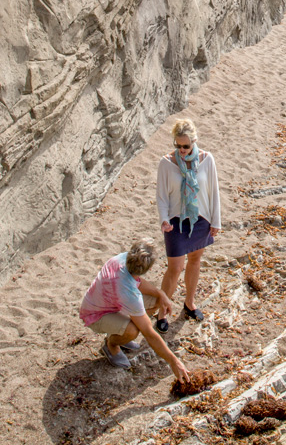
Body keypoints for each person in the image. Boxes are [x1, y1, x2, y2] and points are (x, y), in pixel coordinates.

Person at [79, 238, 188, 379]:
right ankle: (111, 345)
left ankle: (119, 331)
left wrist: (161, 293)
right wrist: (174, 361)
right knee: (133, 331)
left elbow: (137, 281)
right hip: (95, 315)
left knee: (157, 301)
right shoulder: (130, 293)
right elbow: (149, 333)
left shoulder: (123, 259)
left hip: (112, 301)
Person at [156, 118, 222, 329]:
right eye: (178, 145)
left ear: (194, 141)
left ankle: (189, 303)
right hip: (175, 221)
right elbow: (162, 197)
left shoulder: (207, 159)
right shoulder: (166, 163)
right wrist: (164, 219)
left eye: (186, 146)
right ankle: (162, 312)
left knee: (195, 260)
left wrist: (215, 221)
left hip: (200, 219)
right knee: (175, 267)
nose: (182, 150)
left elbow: (213, 192)